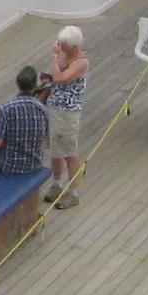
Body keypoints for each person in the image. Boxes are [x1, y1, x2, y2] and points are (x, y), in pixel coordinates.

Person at [43, 25, 91, 208]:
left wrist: (54, 57)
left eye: (63, 45)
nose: (60, 47)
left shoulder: (81, 63)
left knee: (69, 152)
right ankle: (57, 183)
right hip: (54, 108)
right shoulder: (64, 57)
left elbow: (61, 78)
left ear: (74, 46)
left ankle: (73, 191)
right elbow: (55, 75)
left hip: (68, 112)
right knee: (55, 149)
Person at [0, 65, 51, 177]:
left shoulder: (6, 109)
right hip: (33, 164)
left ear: (17, 83)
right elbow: (45, 135)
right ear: (34, 85)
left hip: (8, 165)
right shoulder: (43, 110)